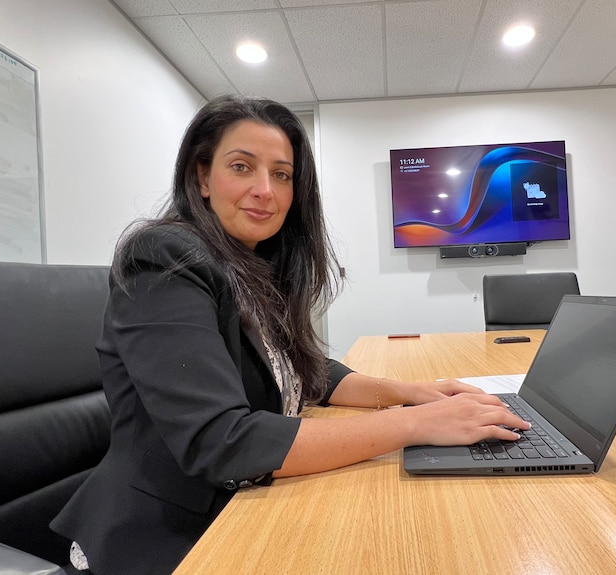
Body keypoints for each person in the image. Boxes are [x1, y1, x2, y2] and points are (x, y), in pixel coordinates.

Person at [50, 94, 529, 575]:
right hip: (169, 533)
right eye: (242, 167)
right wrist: (416, 425)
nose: (266, 190)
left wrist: (410, 394)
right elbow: (223, 441)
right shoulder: (165, 259)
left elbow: (302, 368)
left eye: (281, 174)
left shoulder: (252, 261)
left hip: (245, 505)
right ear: (202, 177)